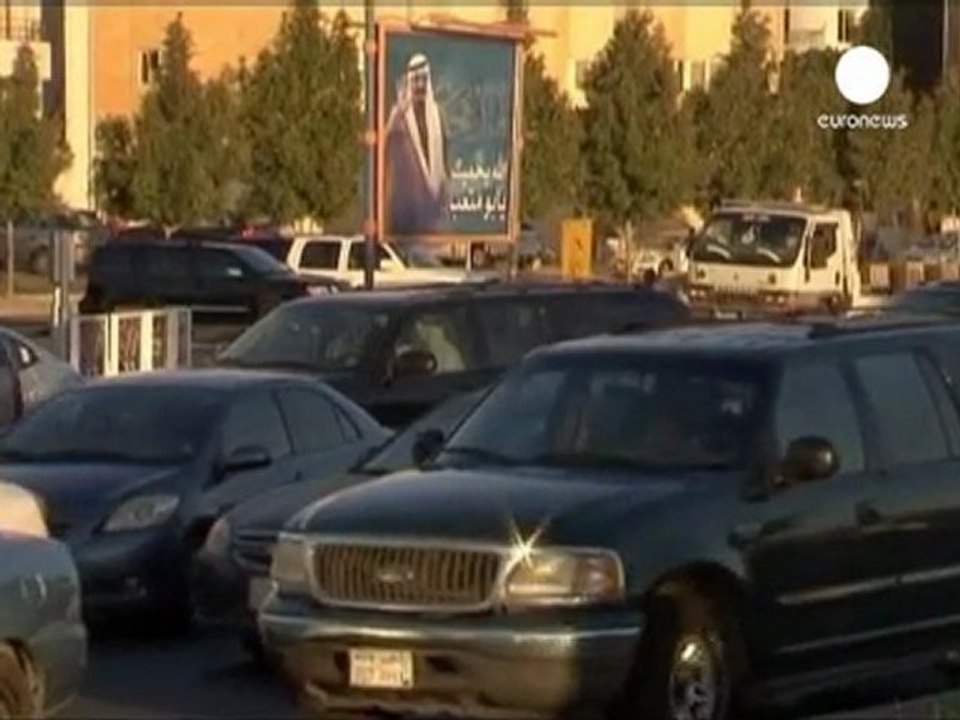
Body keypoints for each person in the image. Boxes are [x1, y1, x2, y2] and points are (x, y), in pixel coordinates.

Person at [384, 54, 450, 235]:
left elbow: (443, 158)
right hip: (406, 200)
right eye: (415, 80)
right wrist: (398, 113)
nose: (420, 85)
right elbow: (384, 142)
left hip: (433, 202)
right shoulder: (398, 114)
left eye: (423, 79)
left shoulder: (437, 114)